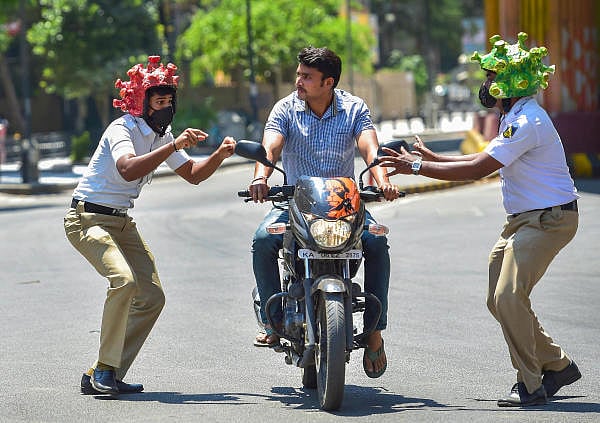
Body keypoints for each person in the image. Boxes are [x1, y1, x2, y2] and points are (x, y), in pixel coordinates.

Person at [379, 32, 581, 406]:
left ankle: (531, 382)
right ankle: (558, 364)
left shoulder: (527, 122)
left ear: (511, 80)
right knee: (497, 299)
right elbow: (479, 161)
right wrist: (428, 161)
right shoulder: (514, 117)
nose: (485, 84)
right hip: (524, 221)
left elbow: (478, 168)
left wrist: (418, 165)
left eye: (491, 77)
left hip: (549, 220)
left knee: (508, 296)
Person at [64, 55, 236, 395]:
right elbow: (128, 168)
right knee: (123, 281)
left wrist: (219, 154)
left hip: (121, 221)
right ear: (141, 103)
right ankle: (105, 372)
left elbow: (193, 175)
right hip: (86, 218)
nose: (166, 108)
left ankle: (104, 371)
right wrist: (174, 144)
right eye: (159, 101)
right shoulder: (122, 129)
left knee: (152, 297)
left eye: (170, 101)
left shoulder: (162, 134)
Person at [248, 46, 400, 378]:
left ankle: (375, 330)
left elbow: (370, 148)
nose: (298, 81)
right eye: (299, 74)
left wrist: (383, 181)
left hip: (343, 204)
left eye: (307, 77)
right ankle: (273, 322)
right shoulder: (285, 109)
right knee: (263, 240)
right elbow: (270, 147)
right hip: (293, 203)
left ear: (328, 82)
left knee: (376, 244)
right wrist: (261, 178)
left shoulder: (353, 108)